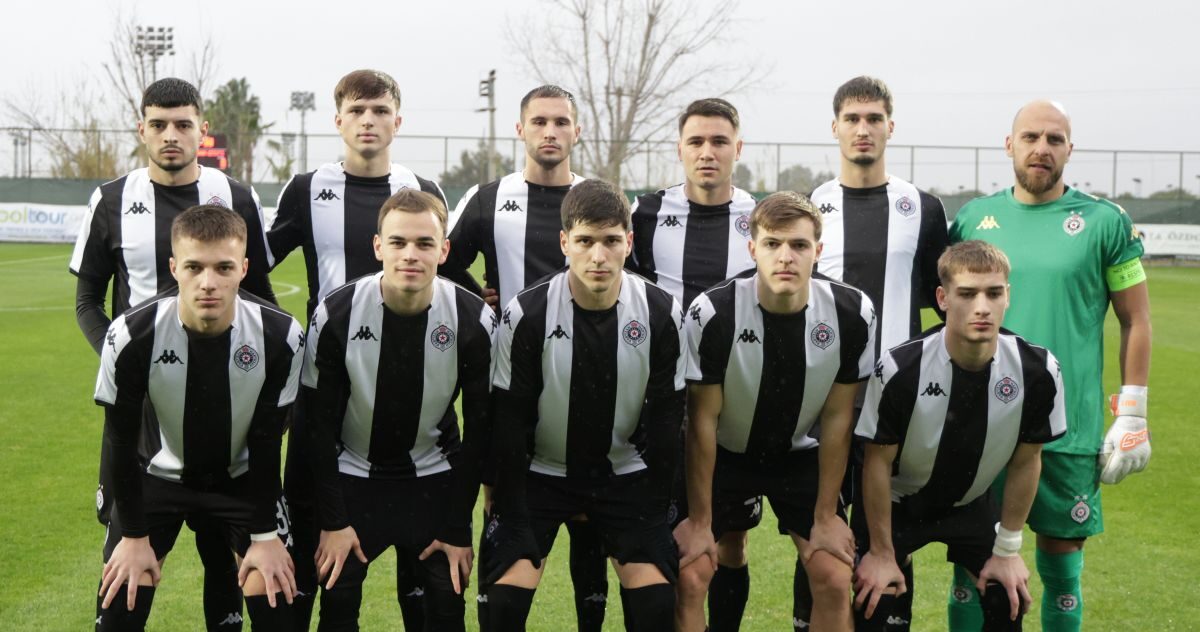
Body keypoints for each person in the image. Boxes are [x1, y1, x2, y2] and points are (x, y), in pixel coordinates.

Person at [71, 77, 277, 631]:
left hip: (227, 396)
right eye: (158, 124)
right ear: (141, 129)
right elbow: (88, 300)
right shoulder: (111, 199)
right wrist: (121, 363)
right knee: (129, 549)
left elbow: (261, 295)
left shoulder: (235, 196)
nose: (170, 135)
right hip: (143, 403)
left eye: (183, 124)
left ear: (201, 130)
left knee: (221, 549)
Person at [948, 101, 1152, 632]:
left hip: (1068, 428)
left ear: (1069, 149)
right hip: (982, 426)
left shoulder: (1106, 222)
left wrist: (1132, 412)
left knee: (1062, 573)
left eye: (1055, 139)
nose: (1042, 148)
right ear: (1009, 144)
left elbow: (1136, 319)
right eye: (1031, 137)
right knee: (972, 570)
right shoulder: (972, 219)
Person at [266, 68, 448, 630]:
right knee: (308, 523)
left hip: (409, 382)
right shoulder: (306, 188)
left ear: (398, 120)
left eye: (380, 110)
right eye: (357, 111)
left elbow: (448, 271)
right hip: (323, 382)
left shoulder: (421, 188)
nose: (369, 121)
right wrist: (279, 333)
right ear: (338, 120)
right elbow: (253, 266)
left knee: (416, 551)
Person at [439, 85, 606, 631]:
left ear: (577, 131)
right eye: (539, 122)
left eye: (561, 122)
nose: (550, 132)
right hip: (507, 387)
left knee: (589, 519)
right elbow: (446, 261)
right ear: (521, 130)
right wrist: (477, 297)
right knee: (501, 506)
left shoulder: (598, 198)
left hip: (587, 384)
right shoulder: (490, 197)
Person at [485, 179, 685, 631]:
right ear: (564, 243)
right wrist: (511, 509)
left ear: (628, 242)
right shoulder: (527, 313)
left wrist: (654, 515)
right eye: (585, 241)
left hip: (624, 474)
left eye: (611, 241)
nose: (598, 256)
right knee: (502, 607)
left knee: (656, 607)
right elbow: (510, 421)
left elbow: (667, 420)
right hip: (542, 474)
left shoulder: (660, 312)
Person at [93, 204, 303, 631]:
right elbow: (120, 439)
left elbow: (267, 440)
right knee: (120, 604)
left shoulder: (281, 336)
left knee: (278, 599)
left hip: (242, 480)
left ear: (244, 269)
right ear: (174, 268)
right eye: (194, 267)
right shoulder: (131, 335)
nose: (209, 283)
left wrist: (264, 535)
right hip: (156, 478)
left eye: (224, 267)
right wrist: (132, 535)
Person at [674, 191, 875, 632]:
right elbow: (702, 420)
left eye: (799, 245)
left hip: (799, 455)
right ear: (752, 249)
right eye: (772, 244)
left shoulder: (852, 313)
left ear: (818, 251)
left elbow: (839, 419)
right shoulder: (713, 312)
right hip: (724, 456)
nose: (786, 257)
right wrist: (700, 521)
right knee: (690, 574)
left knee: (834, 576)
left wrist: (826, 516)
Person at [302, 189, 494, 631]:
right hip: (353, 474)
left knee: (446, 604)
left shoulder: (473, 320)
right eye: (398, 242)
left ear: (443, 250)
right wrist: (333, 521)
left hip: (433, 475)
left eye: (425, 243)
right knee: (338, 599)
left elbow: (481, 430)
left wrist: (457, 527)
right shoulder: (336, 315)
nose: (410, 254)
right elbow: (316, 427)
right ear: (378, 247)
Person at [853, 240, 1067, 631]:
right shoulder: (901, 369)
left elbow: (1027, 461)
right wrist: (882, 552)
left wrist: (1008, 550)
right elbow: (876, 463)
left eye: (994, 293)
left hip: (972, 504)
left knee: (1007, 597)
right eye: (967, 294)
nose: (982, 307)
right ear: (943, 298)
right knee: (873, 600)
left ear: (1008, 296)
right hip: (898, 505)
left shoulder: (1038, 369)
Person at [805, 75, 948, 631]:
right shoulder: (812, 205)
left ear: (891, 126)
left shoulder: (923, 207)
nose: (862, 129)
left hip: (898, 403)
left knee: (890, 535)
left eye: (873, 119)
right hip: (824, 399)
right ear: (835, 127)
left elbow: (942, 301)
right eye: (852, 119)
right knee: (822, 536)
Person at [624, 98, 761, 630]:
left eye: (719, 141)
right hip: (665, 401)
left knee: (732, 543)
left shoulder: (759, 218)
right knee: (680, 551)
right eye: (696, 142)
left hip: (738, 404)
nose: (708, 152)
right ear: (679, 149)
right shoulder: (645, 214)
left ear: (737, 148)